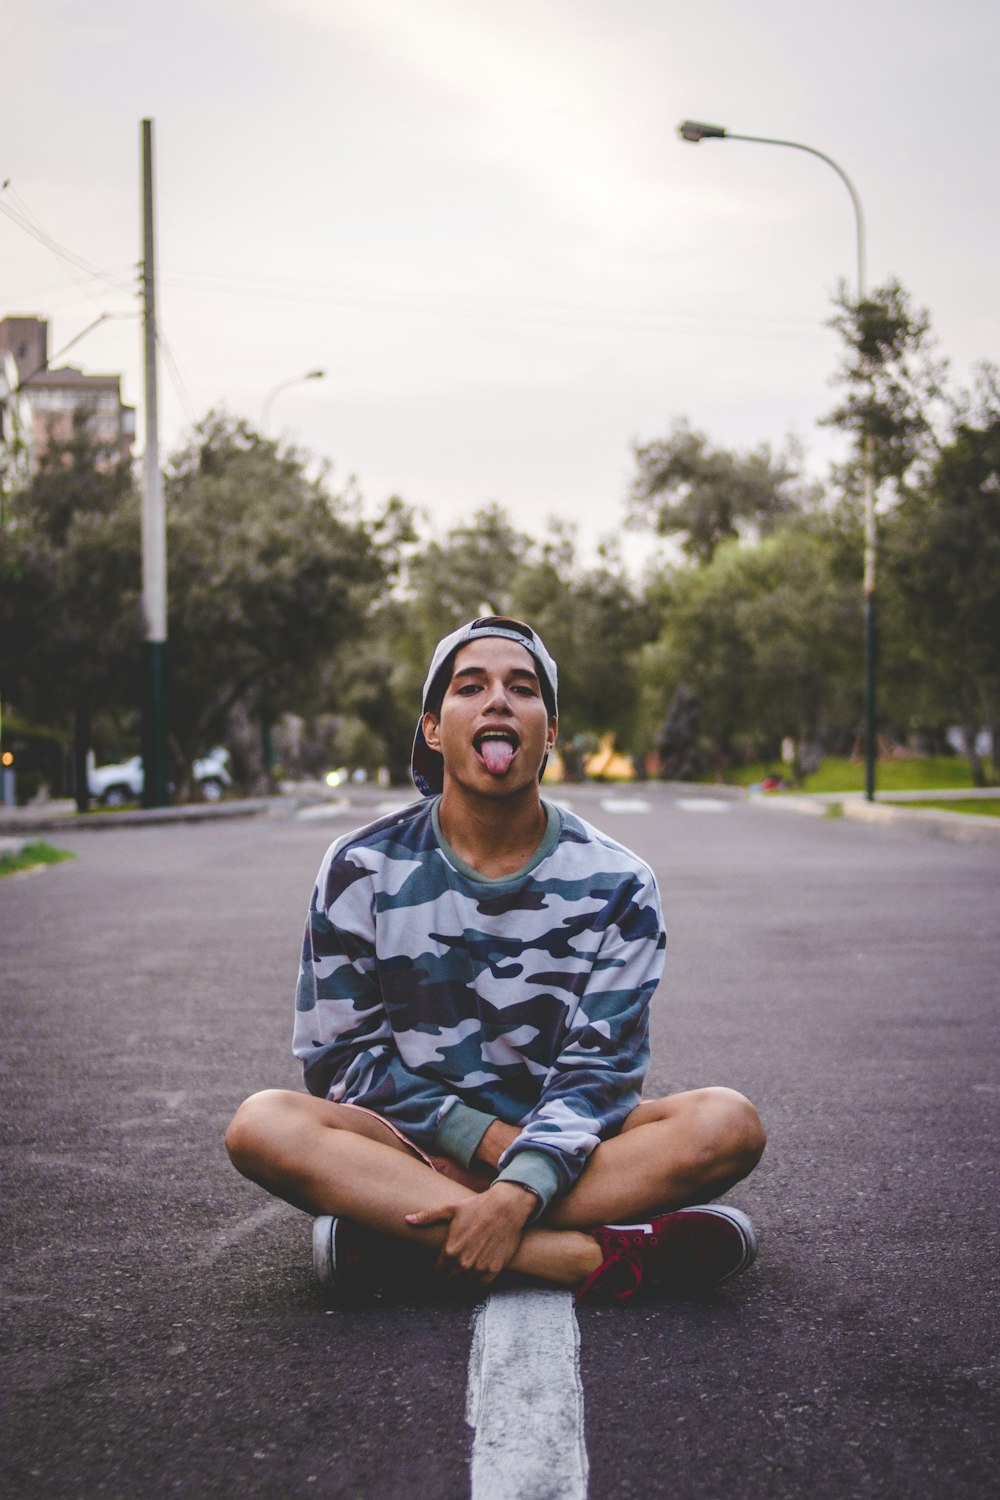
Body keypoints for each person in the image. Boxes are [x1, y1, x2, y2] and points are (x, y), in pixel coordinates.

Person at [225, 617, 765, 1302]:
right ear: (431, 727)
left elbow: (599, 1076)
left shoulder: (619, 882)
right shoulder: (360, 867)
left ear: (552, 731)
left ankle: (403, 1236)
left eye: (523, 688)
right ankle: (573, 1258)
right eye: (470, 686)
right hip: (411, 1146)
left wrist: (517, 1188)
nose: (499, 701)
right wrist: (484, 1144)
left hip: (571, 1152)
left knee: (728, 1124)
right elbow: (341, 1063)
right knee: (262, 1126)